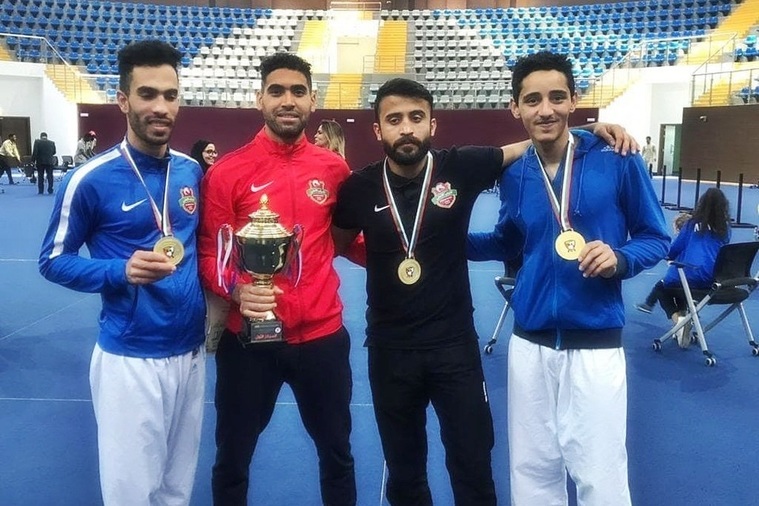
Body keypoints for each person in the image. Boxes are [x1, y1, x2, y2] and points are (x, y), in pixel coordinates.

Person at [325, 77, 636, 505]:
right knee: (404, 469)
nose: (407, 129)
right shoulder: (359, 188)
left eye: (416, 117)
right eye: (394, 120)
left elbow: (533, 141)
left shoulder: (462, 166)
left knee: (472, 464)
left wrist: (589, 130)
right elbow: (337, 243)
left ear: (432, 124)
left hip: (454, 348)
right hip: (389, 349)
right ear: (378, 129)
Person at [467, 52, 669, 506]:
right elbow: (507, 240)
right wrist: (446, 241)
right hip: (530, 341)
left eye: (557, 97)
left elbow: (657, 237)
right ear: (515, 107)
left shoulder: (617, 157)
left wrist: (620, 257)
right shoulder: (515, 173)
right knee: (532, 470)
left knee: (600, 472)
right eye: (533, 100)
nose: (546, 110)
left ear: (574, 100)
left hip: (595, 341)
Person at [38, 40, 206, 505]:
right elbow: (52, 260)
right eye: (147, 94)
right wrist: (119, 270)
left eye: (170, 95)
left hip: (191, 353)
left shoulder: (192, 172)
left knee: (176, 489)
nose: (161, 107)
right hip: (131, 358)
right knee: (131, 494)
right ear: (123, 100)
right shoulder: (88, 179)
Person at [197, 52, 357, 506]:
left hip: (322, 337)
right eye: (277, 91)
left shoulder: (333, 169)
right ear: (260, 99)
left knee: (338, 454)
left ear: (313, 101)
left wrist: (408, 256)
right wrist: (236, 289)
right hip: (248, 340)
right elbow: (210, 252)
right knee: (233, 457)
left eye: (298, 91)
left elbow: (350, 240)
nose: (288, 100)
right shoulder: (227, 171)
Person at [637, 188, 731, 348]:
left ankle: (679, 322)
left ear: (702, 204)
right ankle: (684, 321)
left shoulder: (692, 224)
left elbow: (676, 248)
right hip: (714, 279)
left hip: (691, 274)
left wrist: (667, 256)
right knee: (680, 284)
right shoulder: (725, 229)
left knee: (664, 287)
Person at [635, 211, 692, 314]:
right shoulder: (696, 242)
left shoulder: (682, 240)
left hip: (684, 275)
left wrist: (664, 255)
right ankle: (684, 312)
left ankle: (649, 304)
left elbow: (671, 253)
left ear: (678, 229)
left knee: (660, 286)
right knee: (680, 293)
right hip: (693, 276)